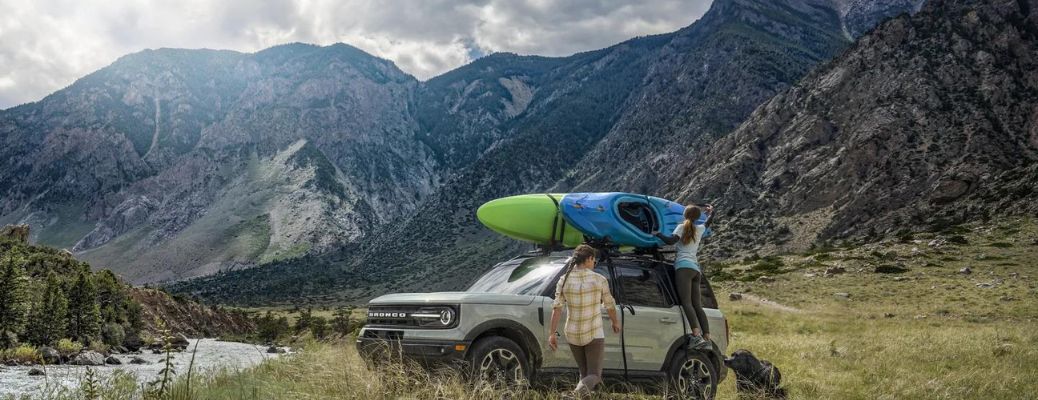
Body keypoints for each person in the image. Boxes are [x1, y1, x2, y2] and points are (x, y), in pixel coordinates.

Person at [548, 244, 621, 395]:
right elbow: (610, 305)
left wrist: (552, 333)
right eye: (594, 260)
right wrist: (615, 321)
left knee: (585, 374)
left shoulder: (564, 280)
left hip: (572, 334)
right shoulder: (599, 279)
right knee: (594, 375)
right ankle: (574, 395)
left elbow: (557, 308)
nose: (594, 263)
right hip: (594, 333)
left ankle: (579, 394)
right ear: (588, 259)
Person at [653, 204, 713, 345]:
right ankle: (707, 338)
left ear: (685, 215)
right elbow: (708, 221)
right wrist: (711, 212)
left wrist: (657, 234)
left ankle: (696, 335)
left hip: (683, 268)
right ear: (698, 217)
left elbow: (670, 241)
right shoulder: (699, 229)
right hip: (695, 270)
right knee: (697, 305)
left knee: (686, 303)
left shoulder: (681, 227)